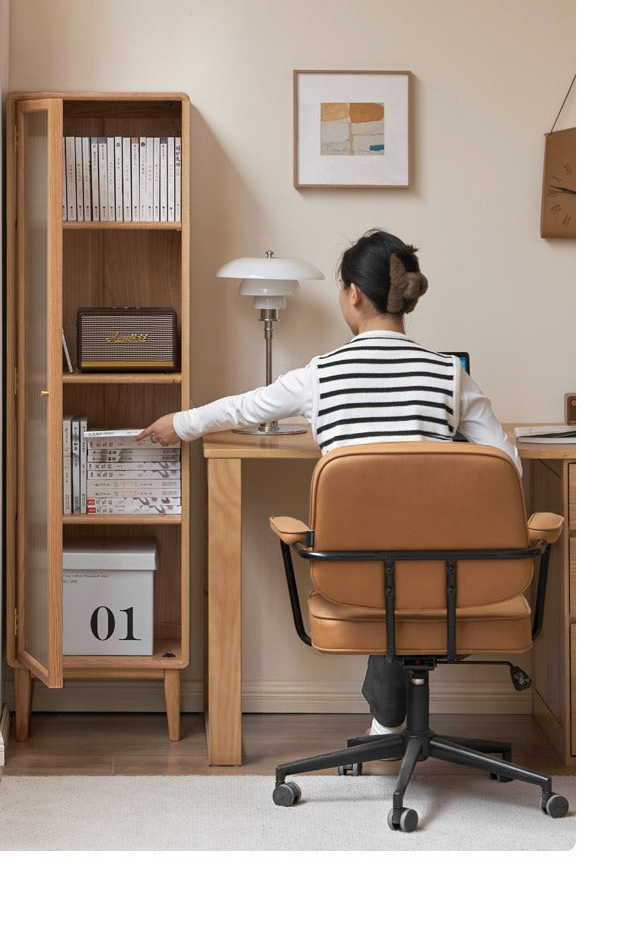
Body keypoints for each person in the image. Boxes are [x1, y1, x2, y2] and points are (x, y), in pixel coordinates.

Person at [137, 228, 520, 738]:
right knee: (411, 555)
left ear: (353, 295)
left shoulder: (321, 375)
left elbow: (243, 408)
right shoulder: (450, 375)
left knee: (384, 561)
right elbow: (507, 468)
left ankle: (387, 717)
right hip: (443, 574)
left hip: (351, 574)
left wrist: (180, 423)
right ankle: (390, 714)